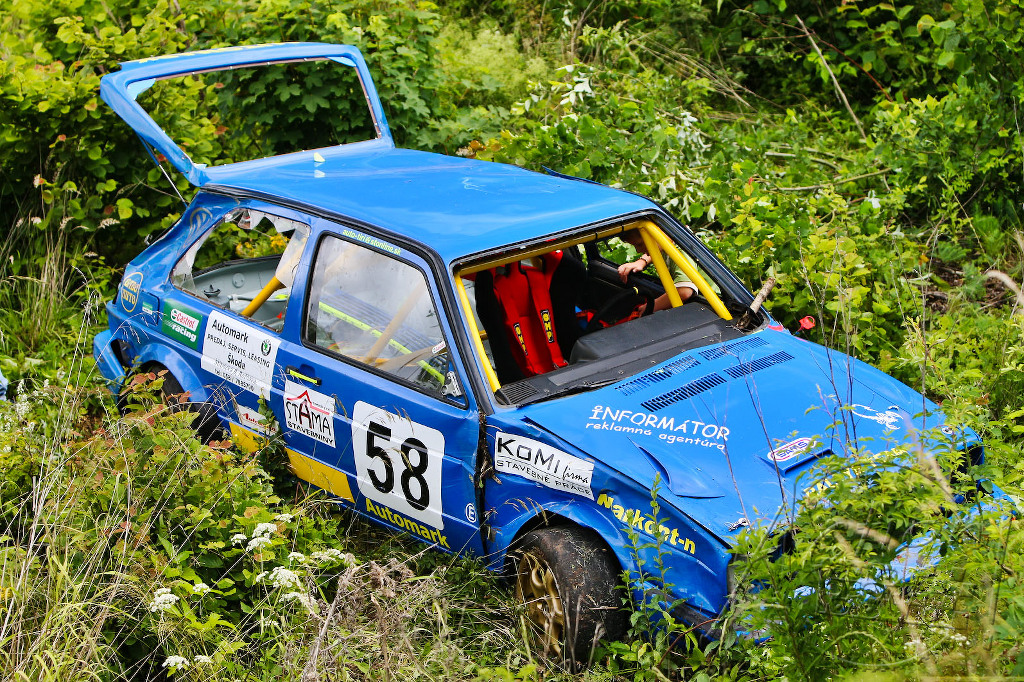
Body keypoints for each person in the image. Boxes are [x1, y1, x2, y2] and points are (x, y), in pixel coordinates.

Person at [616, 230, 697, 311]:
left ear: (657, 232)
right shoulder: (667, 243)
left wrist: (650, 307)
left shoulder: (680, 251)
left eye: (640, 244)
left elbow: (684, 291)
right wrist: (642, 261)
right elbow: (656, 246)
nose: (638, 250)